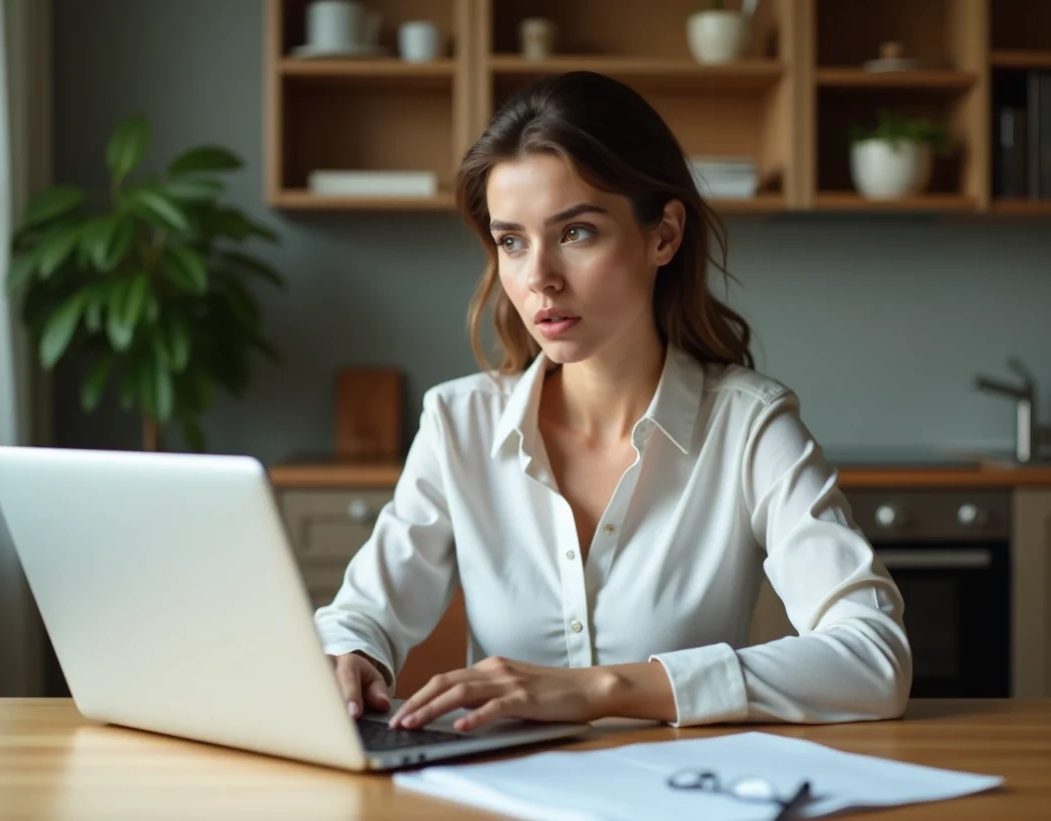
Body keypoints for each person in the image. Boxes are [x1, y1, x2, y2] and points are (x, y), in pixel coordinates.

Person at [313, 70, 912, 733]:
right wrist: (351, 653)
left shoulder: (749, 426)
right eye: (511, 240)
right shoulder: (459, 422)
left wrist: (600, 689)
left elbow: (874, 657)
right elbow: (360, 614)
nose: (537, 276)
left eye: (576, 232)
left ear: (664, 235)